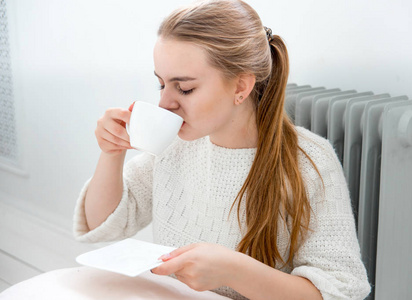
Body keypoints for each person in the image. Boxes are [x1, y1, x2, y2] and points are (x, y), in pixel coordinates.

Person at [73, 0, 371, 299]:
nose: (165, 103)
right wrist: (112, 153)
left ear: (241, 87)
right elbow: (102, 224)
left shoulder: (310, 162)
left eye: (185, 88)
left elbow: (341, 291)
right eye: (161, 84)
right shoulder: (173, 147)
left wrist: (235, 271)